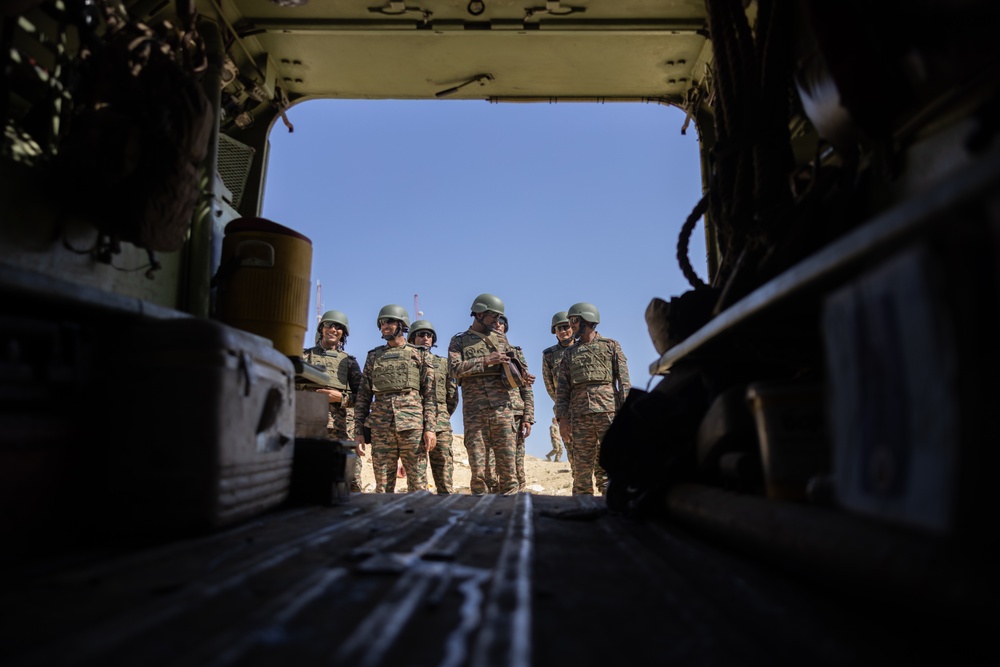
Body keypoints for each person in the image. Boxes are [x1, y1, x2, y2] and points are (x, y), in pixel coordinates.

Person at [354, 304, 437, 493]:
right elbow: (363, 397)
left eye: (390, 321)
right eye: (382, 322)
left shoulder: (420, 355)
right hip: (381, 428)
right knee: (382, 487)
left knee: (417, 485)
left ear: (402, 325)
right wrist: (359, 430)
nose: (385, 326)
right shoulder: (374, 356)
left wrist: (430, 428)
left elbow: (430, 396)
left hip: (412, 427)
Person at [448, 293, 521, 495]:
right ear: (479, 314)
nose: (497, 322)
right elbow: (454, 369)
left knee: (508, 468)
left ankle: (511, 516)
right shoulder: (459, 341)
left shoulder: (500, 338)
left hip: (502, 409)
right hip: (475, 413)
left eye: (498, 318)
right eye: (493, 317)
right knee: (479, 472)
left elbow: (512, 365)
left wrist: (520, 373)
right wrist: (486, 360)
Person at [555, 302, 630, 495]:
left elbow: (624, 383)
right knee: (581, 469)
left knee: (612, 464)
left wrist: (626, 416)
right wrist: (563, 420)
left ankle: (614, 509)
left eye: (574, 321)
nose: (570, 325)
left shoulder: (610, 346)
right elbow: (562, 390)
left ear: (587, 321)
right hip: (579, 417)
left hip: (609, 414)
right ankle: (581, 510)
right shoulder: (569, 353)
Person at [300, 309, 365, 492]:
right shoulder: (304, 357)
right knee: (309, 478)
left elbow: (362, 398)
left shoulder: (349, 362)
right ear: (322, 328)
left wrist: (341, 398)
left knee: (349, 481)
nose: (333, 329)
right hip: (309, 428)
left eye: (338, 327)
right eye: (329, 325)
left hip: (341, 430)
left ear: (343, 333)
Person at [407, 319, 458, 494]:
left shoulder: (443, 363)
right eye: (421, 335)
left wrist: (442, 415)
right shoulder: (407, 360)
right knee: (416, 476)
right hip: (411, 421)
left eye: (429, 335)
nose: (426, 338)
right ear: (412, 338)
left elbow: (452, 396)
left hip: (440, 423)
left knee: (444, 471)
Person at [497, 314, 534, 492]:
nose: (498, 325)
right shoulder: (482, 351)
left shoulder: (515, 352)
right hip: (492, 413)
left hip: (515, 413)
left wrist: (528, 416)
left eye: (502, 323)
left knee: (516, 461)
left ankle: (518, 497)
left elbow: (526, 386)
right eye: (495, 321)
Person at [541, 310, 575, 465]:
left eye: (566, 327)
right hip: (566, 410)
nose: (563, 331)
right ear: (554, 331)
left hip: (589, 407)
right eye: (558, 328)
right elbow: (549, 384)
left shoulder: (584, 347)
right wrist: (561, 404)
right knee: (573, 454)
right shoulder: (549, 354)